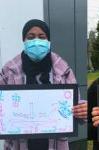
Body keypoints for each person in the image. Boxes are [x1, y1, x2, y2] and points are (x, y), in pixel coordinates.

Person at [0, 19, 87, 150]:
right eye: (31, 37)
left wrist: (83, 110)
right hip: (17, 144)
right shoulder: (9, 70)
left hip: (56, 144)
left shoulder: (63, 70)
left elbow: (76, 104)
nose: (36, 41)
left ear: (48, 41)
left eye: (41, 37)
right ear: (24, 40)